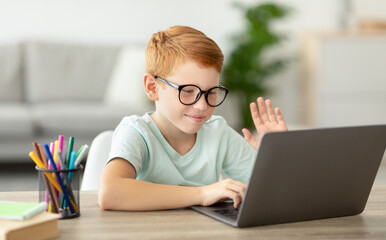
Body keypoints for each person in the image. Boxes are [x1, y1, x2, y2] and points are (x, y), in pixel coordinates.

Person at [98, 25, 288, 211]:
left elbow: (274, 191)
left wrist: (276, 155)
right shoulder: (137, 132)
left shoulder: (218, 133)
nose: (202, 106)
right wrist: (202, 194)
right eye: (188, 91)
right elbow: (110, 192)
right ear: (152, 88)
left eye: (211, 92)